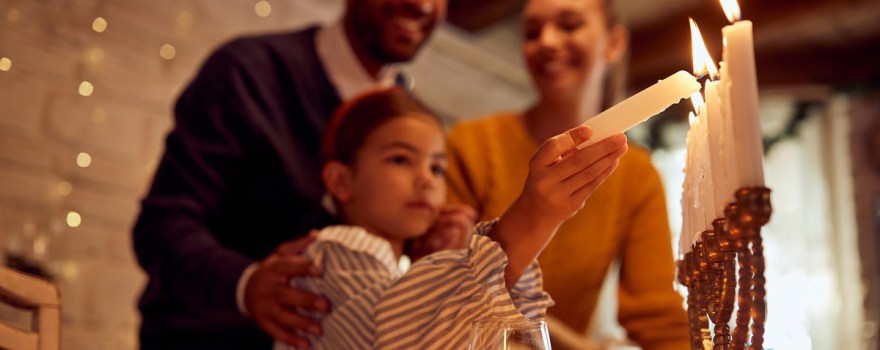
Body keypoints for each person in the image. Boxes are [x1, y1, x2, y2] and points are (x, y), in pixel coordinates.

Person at [132, 0, 449, 348]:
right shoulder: (247, 72)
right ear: (336, 178)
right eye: (400, 160)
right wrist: (246, 284)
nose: (421, 4)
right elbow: (162, 225)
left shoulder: (411, 119)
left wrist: (427, 248)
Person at [274, 87, 628, 349]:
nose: (427, 179)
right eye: (400, 159)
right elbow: (401, 330)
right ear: (341, 180)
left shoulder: (390, 269)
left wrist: (442, 264)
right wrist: (535, 213)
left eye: (437, 167)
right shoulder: (334, 253)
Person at [444, 0, 690, 349]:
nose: (546, 41)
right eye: (532, 31)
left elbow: (658, 317)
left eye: (569, 25)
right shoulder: (472, 145)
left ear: (614, 43)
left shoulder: (636, 174)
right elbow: (445, 284)